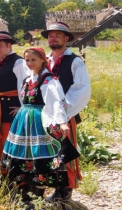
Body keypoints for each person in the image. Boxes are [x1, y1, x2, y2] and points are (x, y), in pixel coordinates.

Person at [1, 48, 70, 202]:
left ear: (42, 60)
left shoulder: (49, 80)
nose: (30, 63)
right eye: (27, 60)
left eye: (33, 60)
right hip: (23, 121)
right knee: (24, 154)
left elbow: (58, 102)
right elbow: (25, 99)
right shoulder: (27, 80)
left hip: (39, 121)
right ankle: (23, 189)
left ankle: (41, 190)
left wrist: (62, 122)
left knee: (40, 154)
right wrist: (23, 108)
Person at [41, 22, 91, 203]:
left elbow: (81, 90)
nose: (53, 38)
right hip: (45, 117)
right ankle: (55, 189)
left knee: (65, 154)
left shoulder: (75, 61)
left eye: (58, 35)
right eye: (50, 36)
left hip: (65, 116)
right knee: (49, 153)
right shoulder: (43, 60)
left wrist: (61, 113)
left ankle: (65, 194)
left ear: (66, 38)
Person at [0, 31, 30, 176]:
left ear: (9, 45)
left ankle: (15, 176)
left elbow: (25, 86)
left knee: (10, 142)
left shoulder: (18, 62)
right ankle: (4, 172)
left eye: (0, 46)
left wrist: (22, 107)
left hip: (10, 111)